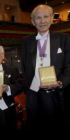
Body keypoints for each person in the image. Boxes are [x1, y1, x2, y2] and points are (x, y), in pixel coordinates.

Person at [20, 4, 70, 137]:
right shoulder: (25, 42)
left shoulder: (63, 39)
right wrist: (28, 89)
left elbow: (69, 67)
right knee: (34, 129)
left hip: (54, 94)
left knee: (54, 129)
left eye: (46, 16)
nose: (42, 21)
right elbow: (24, 67)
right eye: (38, 18)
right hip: (33, 94)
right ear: (32, 21)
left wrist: (60, 83)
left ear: (52, 18)